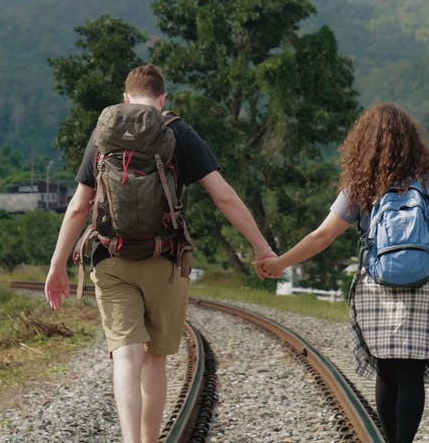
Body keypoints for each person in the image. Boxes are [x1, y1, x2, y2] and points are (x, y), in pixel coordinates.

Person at [45, 64, 275, 443]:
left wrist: (57, 266)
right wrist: (261, 247)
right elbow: (225, 196)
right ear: (162, 98)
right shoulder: (177, 132)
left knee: (125, 356)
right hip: (164, 260)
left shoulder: (104, 131)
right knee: (154, 358)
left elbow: (78, 206)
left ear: (125, 97)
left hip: (111, 259)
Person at [261, 102, 429, 443]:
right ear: (412, 141)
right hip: (423, 287)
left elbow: (321, 236)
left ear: (364, 144)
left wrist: (280, 263)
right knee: (411, 373)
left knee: (386, 370)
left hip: (375, 286)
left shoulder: (361, 185)